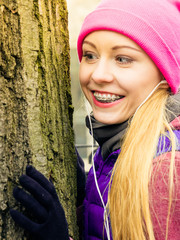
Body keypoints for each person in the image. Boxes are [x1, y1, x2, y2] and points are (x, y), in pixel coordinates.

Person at [10, 0, 180, 239]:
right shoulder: (115, 148)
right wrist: (84, 191)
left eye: (122, 59)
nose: (98, 75)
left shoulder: (167, 169)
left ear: (164, 74)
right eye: (90, 55)